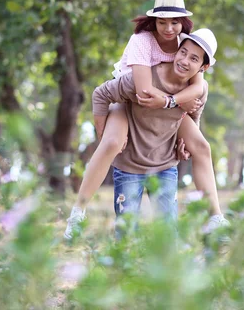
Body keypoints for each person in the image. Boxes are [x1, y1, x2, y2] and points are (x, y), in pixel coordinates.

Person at [64, 0, 228, 239]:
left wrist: (183, 128)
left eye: (174, 22)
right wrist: (102, 130)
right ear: (154, 21)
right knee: (111, 143)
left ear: (183, 21)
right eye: (162, 22)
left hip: (169, 100)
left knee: (202, 146)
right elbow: (143, 92)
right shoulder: (142, 41)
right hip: (128, 96)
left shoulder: (188, 44)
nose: (169, 28)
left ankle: (216, 217)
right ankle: (78, 213)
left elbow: (197, 90)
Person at [91, 30, 218, 236]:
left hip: (165, 165)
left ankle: (216, 218)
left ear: (203, 67)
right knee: (126, 233)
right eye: (182, 52)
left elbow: (195, 116)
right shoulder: (143, 78)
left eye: (194, 58)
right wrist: (103, 134)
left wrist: (184, 142)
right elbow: (101, 94)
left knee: (168, 235)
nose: (185, 61)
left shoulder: (197, 90)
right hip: (130, 165)